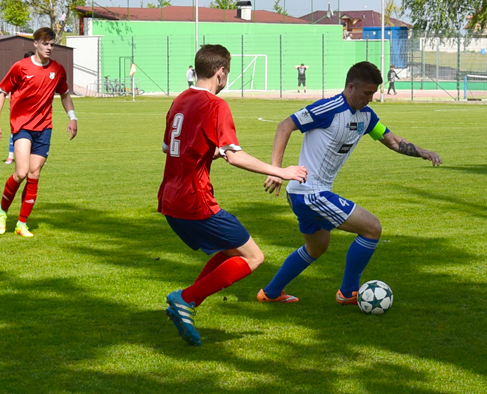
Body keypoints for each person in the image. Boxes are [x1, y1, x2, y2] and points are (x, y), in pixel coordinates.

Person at [258, 61, 442, 306]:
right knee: (372, 228)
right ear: (350, 86)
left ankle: (270, 293)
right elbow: (285, 126)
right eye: (366, 93)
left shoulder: (367, 117)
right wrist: (277, 171)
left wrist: (422, 151)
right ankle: (348, 293)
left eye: (373, 94)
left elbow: (393, 141)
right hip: (309, 192)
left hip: (309, 193)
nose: (370, 99)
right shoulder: (329, 108)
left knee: (316, 248)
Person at [159, 44, 308, 346]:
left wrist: (206, 154)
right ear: (221, 71)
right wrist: (282, 171)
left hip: (168, 199)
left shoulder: (180, 100)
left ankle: (187, 305)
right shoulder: (216, 105)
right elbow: (234, 156)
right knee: (254, 257)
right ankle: (184, 299)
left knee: (231, 250)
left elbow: (172, 149)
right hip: (195, 200)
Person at [0, 27, 77, 237]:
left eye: (52, 44)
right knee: (21, 172)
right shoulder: (20, 67)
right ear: (35, 43)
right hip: (22, 126)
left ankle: (21, 224)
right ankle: (1, 211)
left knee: (34, 174)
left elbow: (64, 94)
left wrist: (73, 117)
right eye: (45, 43)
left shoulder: (58, 69)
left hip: (44, 127)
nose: (49, 47)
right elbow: (1, 93)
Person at [4, 50, 36, 165]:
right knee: (15, 131)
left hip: (33, 109)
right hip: (19, 108)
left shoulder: (39, 72)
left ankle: (35, 157)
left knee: (35, 132)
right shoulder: (19, 70)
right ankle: (10, 156)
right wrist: (10, 104)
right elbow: (9, 89)